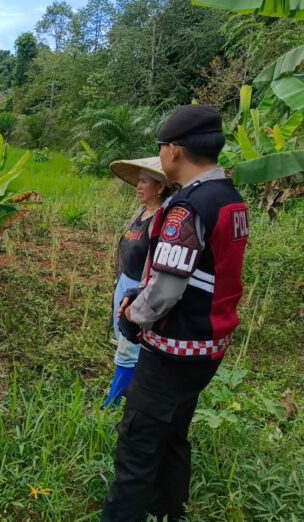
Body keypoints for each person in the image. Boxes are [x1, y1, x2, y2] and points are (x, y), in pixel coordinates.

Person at [101, 104, 249, 521]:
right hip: (209, 347)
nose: (161, 154)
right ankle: (169, 510)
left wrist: (131, 317)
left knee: (136, 446)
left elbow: (165, 290)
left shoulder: (187, 207)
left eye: (162, 146)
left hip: (173, 350)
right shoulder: (231, 199)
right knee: (174, 434)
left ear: (175, 151)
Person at [103, 158, 174, 408]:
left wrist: (138, 293)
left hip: (140, 290)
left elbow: (159, 265)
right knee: (125, 340)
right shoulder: (139, 214)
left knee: (129, 347)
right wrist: (117, 284)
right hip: (124, 283)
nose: (138, 186)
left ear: (160, 186)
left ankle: (110, 404)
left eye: (144, 181)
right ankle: (131, 392)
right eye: (138, 181)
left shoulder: (163, 219)